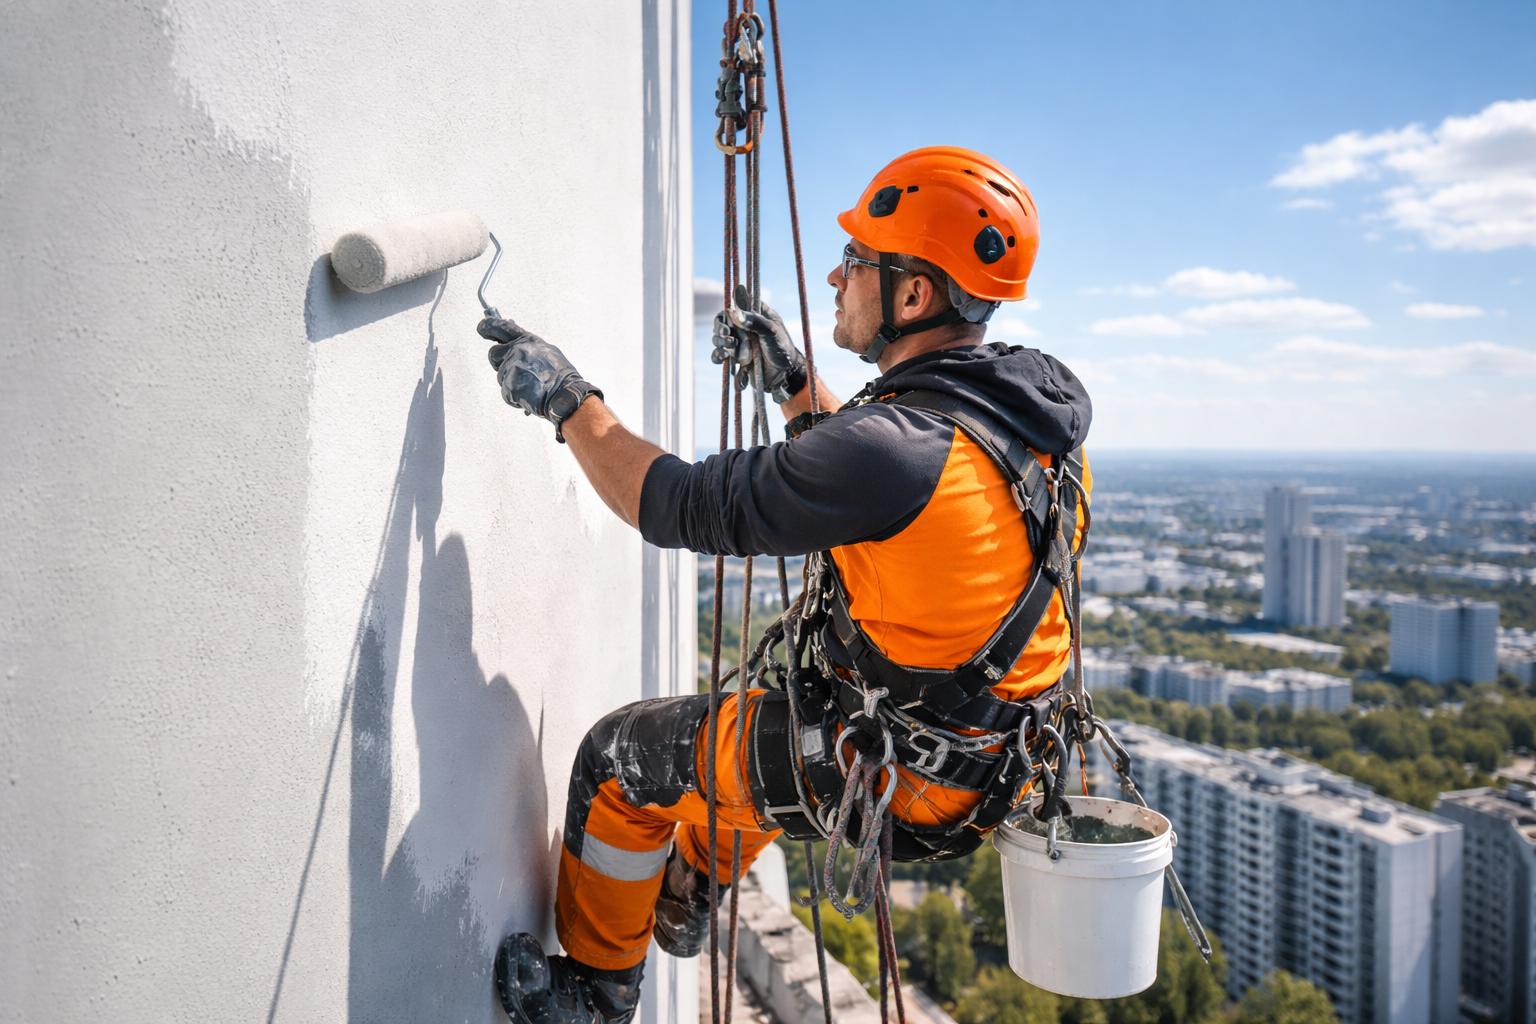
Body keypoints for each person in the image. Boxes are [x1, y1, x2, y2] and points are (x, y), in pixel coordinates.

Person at [484, 147, 1093, 1024]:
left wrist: (571, 402)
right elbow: (898, 495)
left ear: (914, 296)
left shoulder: (896, 451)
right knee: (771, 728)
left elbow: (676, 502)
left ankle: (595, 994)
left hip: (892, 771)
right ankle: (690, 889)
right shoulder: (1031, 430)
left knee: (621, 762)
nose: (838, 275)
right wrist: (798, 382)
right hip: (993, 765)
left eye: (859, 262)